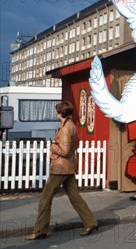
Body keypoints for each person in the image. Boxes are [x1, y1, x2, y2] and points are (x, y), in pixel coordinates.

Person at [26, 101, 98, 239]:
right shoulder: (71, 126)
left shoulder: (65, 128)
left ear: (61, 113)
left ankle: (40, 230)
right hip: (69, 167)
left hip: (60, 168)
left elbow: (64, 150)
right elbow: (74, 146)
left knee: (45, 199)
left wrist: (53, 147)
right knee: (75, 197)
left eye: (57, 111)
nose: (56, 113)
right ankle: (90, 222)